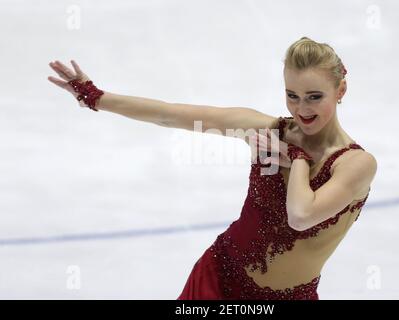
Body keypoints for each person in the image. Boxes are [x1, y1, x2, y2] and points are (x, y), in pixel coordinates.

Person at [48, 36, 377, 300]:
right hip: (219, 278)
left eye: (313, 96)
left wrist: (299, 160)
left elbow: (301, 215)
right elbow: (171, 114)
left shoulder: (355, 164)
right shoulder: (266, 132)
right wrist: (95, 97)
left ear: (340, 90)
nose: (300, 108)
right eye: (292, 95)